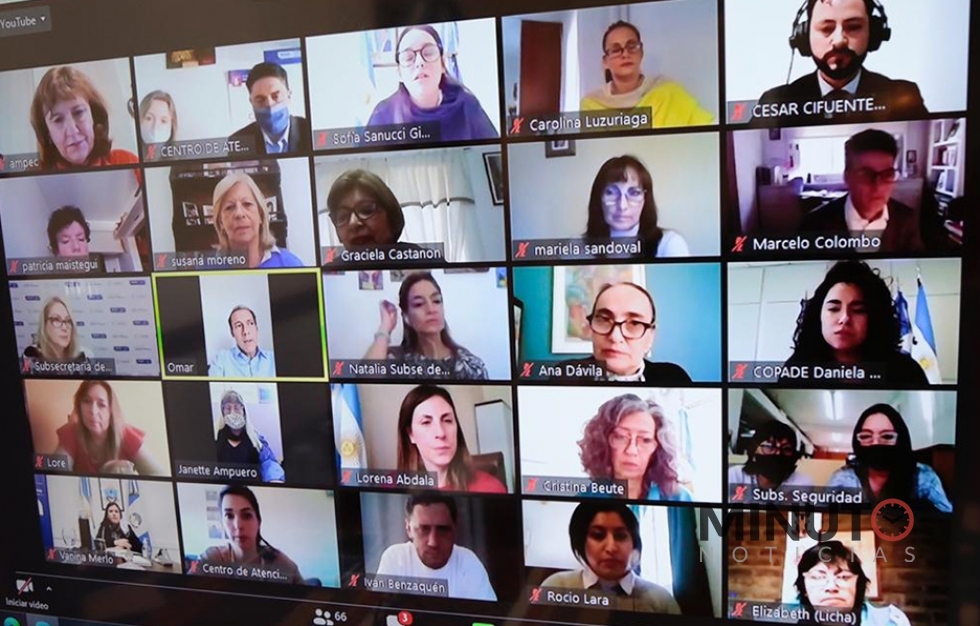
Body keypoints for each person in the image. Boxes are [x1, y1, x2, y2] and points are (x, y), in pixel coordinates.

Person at [753, 0, 927, 126]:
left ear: (873, 34)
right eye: (826, 28)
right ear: (804, 37)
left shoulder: (903, 96)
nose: (839, 41)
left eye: (853, 27)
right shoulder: (775, 102)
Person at [782, 260, 928, 384]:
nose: (844, 318)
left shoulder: (906, 371)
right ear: (818, 315)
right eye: (833, 309)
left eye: (858, 310)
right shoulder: (797, 368)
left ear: (875, 317)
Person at [541, 502, 681, 614]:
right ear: (581, 542)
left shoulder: (661, 600)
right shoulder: (557, 586)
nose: (611, 547)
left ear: (634, 543)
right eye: (598, 535)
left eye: (620, 536)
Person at [367, 25, 498, 141]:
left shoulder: (467, 106)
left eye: (429, 53)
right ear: (399, 73)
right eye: (408, 57)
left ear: (442, 64)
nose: (419, 62)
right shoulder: (382, 115)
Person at [800, 130, 924, 252]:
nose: (878, 186)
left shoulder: (907, 219)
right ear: (847, 177)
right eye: (866, 175)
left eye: (887, 174)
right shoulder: (814, 224)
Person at [580, 21, 713, 128]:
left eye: (632, 46)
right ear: (605, 61)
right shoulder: (591, 104)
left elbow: (709, 127)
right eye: (616, 50)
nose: (625, 54)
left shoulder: (668, 93)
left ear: (641, 53)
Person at [826, 404, 951, 512]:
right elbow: (821, 515)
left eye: (887, 436)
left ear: (900, 439)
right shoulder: (842, 478)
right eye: (866, 436)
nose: (875, 443)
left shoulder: (923, 477)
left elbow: (947, 517)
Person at [558, 282, 691, 383]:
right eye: (604, 319)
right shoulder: (564, 374)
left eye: (634, 323)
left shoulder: (674, 377)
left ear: (650, 337)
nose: (615, 337)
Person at [365, 272, 488, 379]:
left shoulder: (469, 366)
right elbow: (366, 379)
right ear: (406, 317)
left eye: (436, 301)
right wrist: (385, 326)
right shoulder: (394, 360)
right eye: (419, 304)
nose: (431, 309)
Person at [376, 493, 496, 601]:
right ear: (408, 529)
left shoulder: (468, 562)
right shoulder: (395, 558)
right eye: (423, 529)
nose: (433, 542)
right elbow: (379, 611)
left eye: (442, 530)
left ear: (455, 528)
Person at [578, 394, 690, 501]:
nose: (631, 451)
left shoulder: (680, 498)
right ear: (603, 443)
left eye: (645, 440)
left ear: (658, 448)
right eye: (621, 437)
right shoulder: (584, 498)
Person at [396, 385, 506, 493]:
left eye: (447, 420)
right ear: (411, 434)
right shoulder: (393, 485)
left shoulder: (491, 488)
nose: (441, 433)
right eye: (426, 422)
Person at [30, 66, 138, 169]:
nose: (72, 131)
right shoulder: (34, 177)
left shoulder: (128, 163)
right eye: (58, 120)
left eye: (78, 112)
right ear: (47, 132)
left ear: (94, 116)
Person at [584, 155, 690, 257]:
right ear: (598, 198)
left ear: (645, 199)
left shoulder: (669, 244)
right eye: (611, 193)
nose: (622, 206)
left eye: (634, 193)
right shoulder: (579, 247)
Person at [52, 380, 164, 475]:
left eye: (101, 405)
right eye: (86, 401)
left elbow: (160, 475)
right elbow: (56, 475)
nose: (93, 411)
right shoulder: (71, 432)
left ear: (111, 411)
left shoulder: (126, 434)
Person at [201, 485, 304, 583]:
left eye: (246, 515)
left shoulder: (283, 565)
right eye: (229, 516)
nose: (238, 525)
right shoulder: (211, 558)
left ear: (258, 521)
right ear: (222, 522)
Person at [792, 541, 911, 625]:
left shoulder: (891, 621)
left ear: (858, 584)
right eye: (818, 577)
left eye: (843, 577)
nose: (831, 587)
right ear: (804, 588)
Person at [211, 172, 303, 268]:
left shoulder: (290, 264)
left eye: (247, 204)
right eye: (229, 207)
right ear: (220, 222)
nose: (239, 213)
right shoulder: (209, 269)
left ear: (261, 215)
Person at [230, 62, 310, 155]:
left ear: (289, 95)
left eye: (275, 96)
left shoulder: (309, 130)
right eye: (260, 100)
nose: (269, 104)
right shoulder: (238, 141)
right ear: (251, 102)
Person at [325, 169, 409, 249]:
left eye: (366, 210)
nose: (353, 223)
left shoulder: (415, 256)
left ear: (391, 216)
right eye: (342, 216)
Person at [214, 390, 284, 483]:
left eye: (236, 408)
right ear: (222, 412)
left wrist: (274, 479)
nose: (233, 413)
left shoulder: (256, 439)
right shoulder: (215, 440)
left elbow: (269, 464)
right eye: (228, 408)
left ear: (243, 410)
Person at [728, 420, 814, 490]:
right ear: (754, 450)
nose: (778, 453)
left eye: (786, 449)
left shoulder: (802, 483)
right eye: (770, 446)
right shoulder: (734, 476)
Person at [208, 305, 277, 378]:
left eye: (250, 323)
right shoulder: (221, 360)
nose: (246, 331)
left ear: (256, 328)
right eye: (239, 326)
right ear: (232, 333)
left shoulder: (273, 358)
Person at [22, 297, 91, 362]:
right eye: (56, 320)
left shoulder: (85, 356)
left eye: (68, 321)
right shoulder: (31, 355)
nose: (64, 327)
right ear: (44, 325)